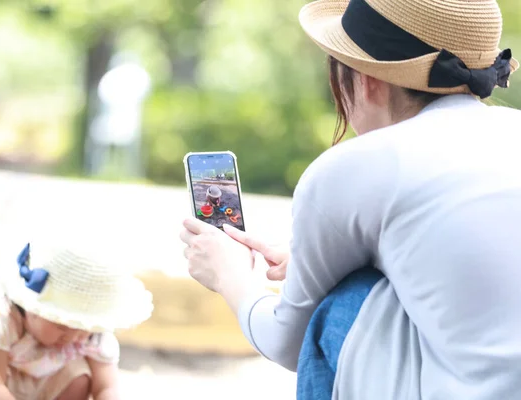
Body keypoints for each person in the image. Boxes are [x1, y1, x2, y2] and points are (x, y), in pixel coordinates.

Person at [180, 0, 521, 398]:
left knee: (343, 304)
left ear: (365, 78)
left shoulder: (358, 165)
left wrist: (228, 274)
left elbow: (286, 342)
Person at [0, 240, 153, 400]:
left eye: (83, 327)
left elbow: (107, 388)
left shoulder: (93, 331)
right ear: (31, 307)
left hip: (31, 385)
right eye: (62, 324)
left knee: (80, 374)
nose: (73, 336)